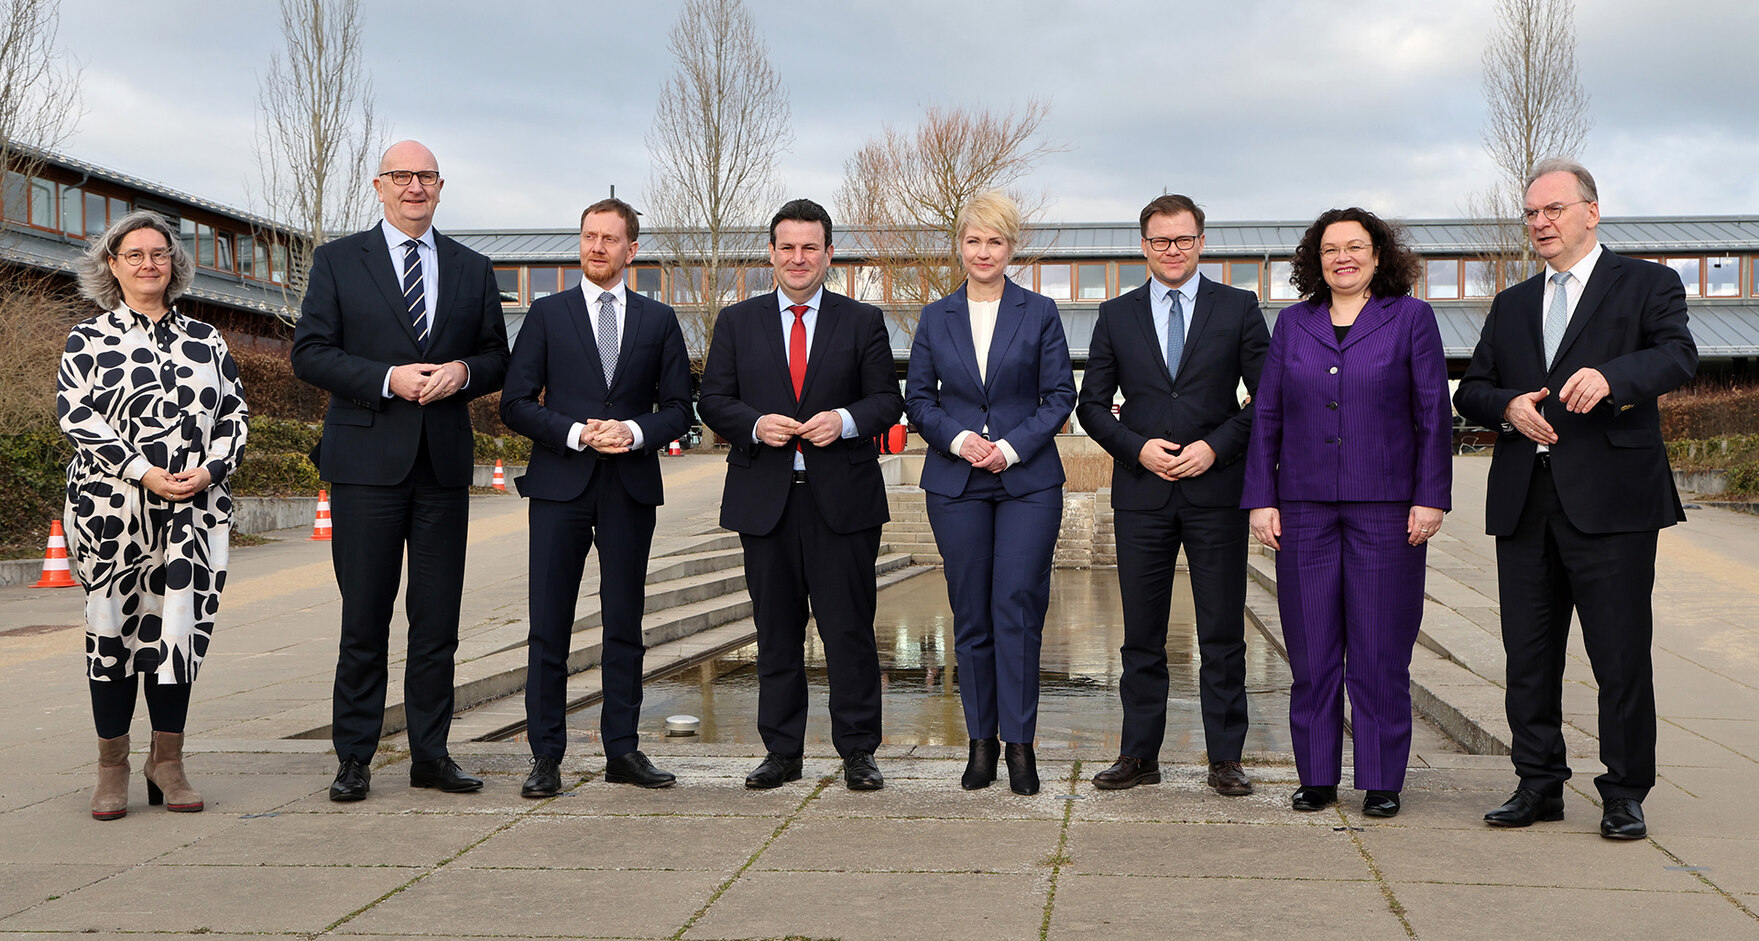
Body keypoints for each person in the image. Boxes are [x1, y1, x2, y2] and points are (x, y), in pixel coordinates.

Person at [1455, 159, 1697, 840]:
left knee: (1618, 654)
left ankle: (1623, 791)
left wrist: (1613, 376)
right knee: (1527, 653)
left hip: (1612, 503)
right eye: (1531, 213)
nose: (1539, 223)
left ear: (1590, 211)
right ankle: (1537, 783)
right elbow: (1468, 387)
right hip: (1524, 501)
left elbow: (1678, 356)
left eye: (1552, 209)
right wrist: (1504, 405)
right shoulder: (1509, 303)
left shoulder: (1647, 283)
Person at [291, 140, 510, 802]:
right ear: (379, 186)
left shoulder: (472, 269)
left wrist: (463, 373)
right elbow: (310, 353)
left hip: (441, 466)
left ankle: (430, 754)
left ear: (440, 187)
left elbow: (498, 356)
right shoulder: (337, 261)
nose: (414, 186)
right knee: (364, 617)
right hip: (364, 465)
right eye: (401, 176)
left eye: (426, 177)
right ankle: (354, 756)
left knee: (437, 619)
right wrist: (386, 377)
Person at [1241, 207, 1452, 818]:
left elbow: (1433, 411)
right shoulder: (1292, 325)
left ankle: (1383, 778)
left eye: (1355, 247)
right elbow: (1269, 415)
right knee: (1310, 650)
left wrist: (1430, 495)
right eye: (1331, 249)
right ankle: (1316, 776)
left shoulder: (1411, 319)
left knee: (1380, 650)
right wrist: (1260, 497)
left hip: (1388, 511)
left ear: (1378, 255)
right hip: (1303, 509)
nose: (1343, 258)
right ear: (1316, 260)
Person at [697, 198, 903, 791]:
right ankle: (782, 752)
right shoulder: (737, 322)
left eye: (810, 247)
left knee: (849, 633)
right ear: (771, 254)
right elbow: (713, 400)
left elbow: (887, 401)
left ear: (828, 255)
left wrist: (842, 420)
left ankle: (858, 752)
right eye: (787, 247)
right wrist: (755, 425)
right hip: (767, 500)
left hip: (842, 501)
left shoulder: (862, 320)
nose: (798, 257)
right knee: (776, 633)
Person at [1075, 194, 1269, 796]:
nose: (1173, 250)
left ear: (1202, 242)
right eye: (1160, 241)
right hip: (1142, 494)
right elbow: (1091, 406)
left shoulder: (1238, 308)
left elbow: (1268, 398)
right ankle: (1139, 756)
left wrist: (1216, 447)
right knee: (1141, 633)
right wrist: (1137, 448)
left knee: (1220, 632)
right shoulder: (1115, 314)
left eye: (1183, 239)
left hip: (1216, 489)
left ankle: (1225, 759)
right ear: (1143, 246)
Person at [58, 210, 249, 820]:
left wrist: (210, 470)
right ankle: (112, 766)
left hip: (194, 509)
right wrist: (143, 471)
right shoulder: (86, 340)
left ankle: (167, 761)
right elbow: (76, 416)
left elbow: (234, 418)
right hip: (111, 509)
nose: (148, 263)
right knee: (112, 630)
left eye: (159, 253)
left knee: (178, 630)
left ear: (174, 264)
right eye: (134, 254)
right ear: (112, 266)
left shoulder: (206, 341)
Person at [500, 198, 693, 795]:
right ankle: (546, 757)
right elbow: (515, 403)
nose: (597, 247)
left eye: (610, 238)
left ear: (631, 250)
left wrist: (633, 433)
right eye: (589, 236)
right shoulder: (547, 315)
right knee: (549, 625)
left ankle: (623, 751)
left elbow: (681, 409)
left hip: (629, 487)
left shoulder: (659, 321)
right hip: (561, 484)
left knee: (625, 625)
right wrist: (576, 432)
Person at [904, 191, 1075, 795]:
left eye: (995, 241)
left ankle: (1020, 746)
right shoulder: (934, 317)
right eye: (973, 240)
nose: (983, 252)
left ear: (1011, 248)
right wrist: (957, 441)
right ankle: (980, 745)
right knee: (971, 613)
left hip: (1026, 481)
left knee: (1018, 611)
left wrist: (1010, 446)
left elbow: (1060, 396)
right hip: (956, 483)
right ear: (960, 245)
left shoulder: (1040, 312)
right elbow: (918, 400)